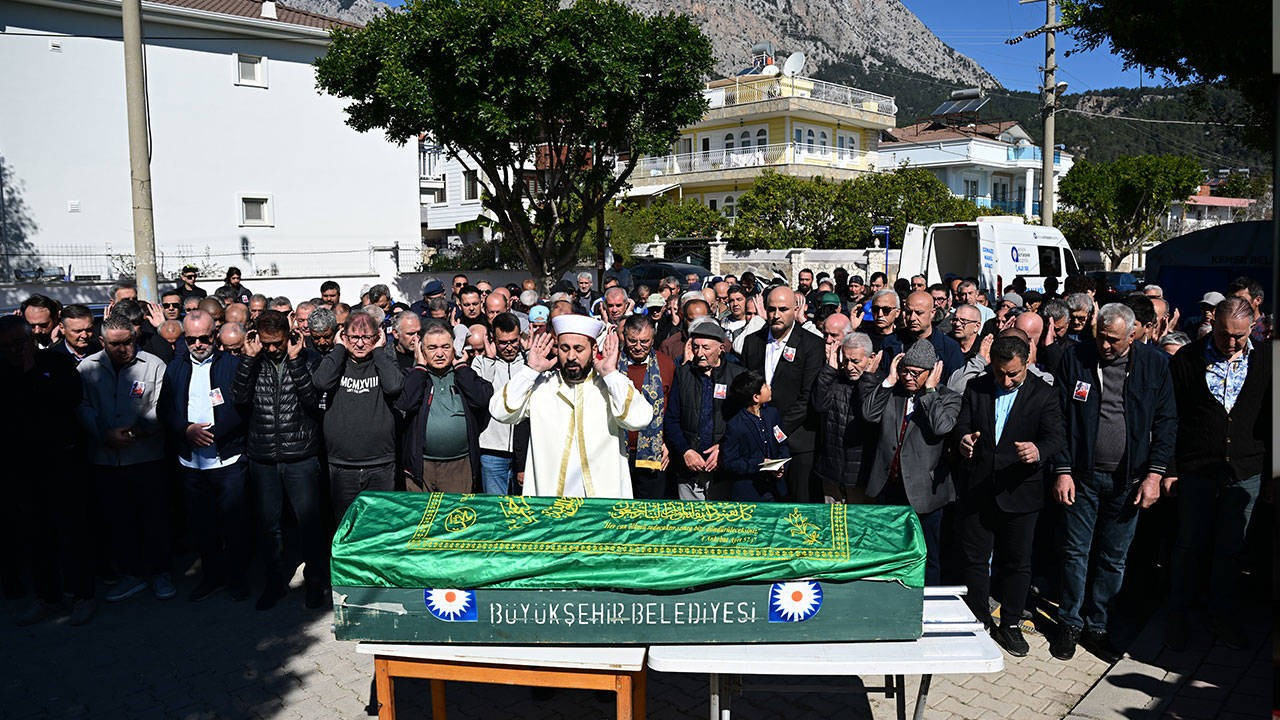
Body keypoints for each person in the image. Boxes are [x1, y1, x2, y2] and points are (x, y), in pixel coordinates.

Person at [1049, 303, 1176, 663]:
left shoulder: (1154, 365)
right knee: (1075, 552)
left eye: (1114, 341)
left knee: (1113, 558)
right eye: (1101, 337)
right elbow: (1058, 417)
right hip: (1082, 476)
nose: (1105, 346)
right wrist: (1062, 469)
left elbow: (1166, 422)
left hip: (1129, 480)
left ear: (1133, 335)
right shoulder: (1077, 359)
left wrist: (1155, 474)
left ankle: (1099, 624)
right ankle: (1069, 622)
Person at [1165, 296, 1271, 651]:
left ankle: (1222, 616)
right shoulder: (1188, 360)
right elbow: (1172, 418)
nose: (1231, 343)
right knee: (1188, 545)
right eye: (1225, 335)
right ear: (1214, 326)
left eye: (1239, 337)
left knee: (1232, 549)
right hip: (1196, 470)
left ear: (1252, 328)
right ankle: (1178, 616)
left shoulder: (1266, 360)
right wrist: (1171, 469)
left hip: (1245, 471)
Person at [954, 336, 1065, 657]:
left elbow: (1056, 436)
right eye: (1000, 373)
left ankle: (1011, 624)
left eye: (1013, 374)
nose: (1006, 380)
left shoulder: (1043, 394)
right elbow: (962, 423)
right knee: (975, 559)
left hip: (1021, 492)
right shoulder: (978, 387)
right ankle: (978, 619)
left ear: (1027, 364)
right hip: (979, 489)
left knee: (1017, 562)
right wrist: (963, 439)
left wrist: (1039, 450)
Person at [490, 316, 653, 498]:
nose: (571, 357)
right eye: (564, 348)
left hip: (600, 508)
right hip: (551, 507)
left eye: (579, 349)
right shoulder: (542, 387)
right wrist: (530, 371)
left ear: (593, 350)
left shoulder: (610, 387)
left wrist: (611, 374)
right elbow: (500, 412)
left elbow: (640, 419)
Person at [0, 316, 95, 626]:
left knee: (72, 534)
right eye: (7, 347)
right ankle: (47, 597)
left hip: (62, 466)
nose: (14, 351)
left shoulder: (55, 364)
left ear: (31, 340)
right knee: (35, 536)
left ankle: (81, 595)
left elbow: (69, 399)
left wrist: (32, 372)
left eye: (19, 343)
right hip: (23, 472)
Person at [231, 310, 326, 611]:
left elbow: (314, 401)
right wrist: (247, 359)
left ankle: (314, 583)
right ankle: (274, 583)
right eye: (267, 343)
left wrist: (296, 361)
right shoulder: (252, 360)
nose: (272, 349)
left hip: (300, 454)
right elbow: (239, 398)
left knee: (309, 523)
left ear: (290, 336)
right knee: (268, 526)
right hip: (263, 456)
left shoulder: (308, 359)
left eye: (278, 342)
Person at [77, 315, 172, 603]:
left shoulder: (154, 365)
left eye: (128, 342)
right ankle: (130, 574)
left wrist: (137, 430)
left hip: (146, 457)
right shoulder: (86, 368)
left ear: (135, 337)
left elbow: (162, 405)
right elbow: (81, 405)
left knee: (154, 518)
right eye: (115, 344)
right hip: (106, 458)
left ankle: (160, 573)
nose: (122, 349)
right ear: (102, 342)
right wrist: (103, 432)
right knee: (118, 520)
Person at [158, 310, 250, 603]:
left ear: (215, 334)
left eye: (204, 338)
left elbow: (244, 407)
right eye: (192, 339)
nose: (198, 344)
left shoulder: (232, 364)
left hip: (227, 461)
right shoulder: (174, 368)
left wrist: (214, 432)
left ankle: (237, 579)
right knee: (203, 526)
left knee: (234, 526)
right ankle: (211, 578)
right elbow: (165, 410)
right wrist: (186, 430)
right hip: (192, 464)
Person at [860, 341, 958, 585]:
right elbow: (868, 415)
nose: (908, 377)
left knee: (928, 555)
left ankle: (927, 603)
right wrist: (888, 381)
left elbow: (941, 426)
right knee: (888, 551)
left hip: (924, 493)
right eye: (905, 370)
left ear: (932, 372)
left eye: (916, 373)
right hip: (889, 485)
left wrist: (930, 391)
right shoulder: (893, 392)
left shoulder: (947, 397)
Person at [313, 311, 403, 522]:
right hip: (342, 465)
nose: (360, 344)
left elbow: (394, 386)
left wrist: (379, 351)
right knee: (347, 526)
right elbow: (321, 382)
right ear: (344, 336)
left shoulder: (383, 362)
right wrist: (338, 348)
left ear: (377, 336)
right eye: (354, 337)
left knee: (380, 526)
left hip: (380, 464)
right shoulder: (335, 362)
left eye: (366, 337)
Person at [741, 286, 823, 503]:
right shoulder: (753, 342)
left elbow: (807, 397)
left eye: (783, 309)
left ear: (795, 309)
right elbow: (746, 391)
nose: (776, 315)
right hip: (759, 444)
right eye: (771, 309)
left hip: (797, 442)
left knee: (798, 509)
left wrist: (777, 431)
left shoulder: (812, 345)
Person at [395, 321, 493, 493]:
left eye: (445, 347)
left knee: (454, 517)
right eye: (432, 348)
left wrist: (461, 366)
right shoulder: (412, 376)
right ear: (421, 350)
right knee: (422, 518)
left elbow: (482, 399)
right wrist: (419, 366)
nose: (439, 353)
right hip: (421, 467)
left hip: (459, 466)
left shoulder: (463, 375)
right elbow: (406, 403)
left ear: (454, 348)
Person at [664, 321, 745, 500]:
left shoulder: (737, 376)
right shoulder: (683, 374)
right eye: (695, 347)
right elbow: (671, 419)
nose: (700, 353)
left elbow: (744, 422)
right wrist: (685, 451)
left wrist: (724, 448)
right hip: (689, 469)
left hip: (724, 469)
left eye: (706, 348)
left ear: (721, 348)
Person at [812, 332, 878, 503]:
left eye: (856, 361)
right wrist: (830, 369)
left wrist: (868, 380)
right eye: (846, 360)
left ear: (871, 358)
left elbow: (869, 414)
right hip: (831, 471)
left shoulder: (879, 384)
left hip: (860, 475)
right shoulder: (836, 380)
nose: (849, 367)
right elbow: (819, 404)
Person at [470, 313, 529, 495]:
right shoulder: (480, 362)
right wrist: (489, 361)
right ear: (492, 339)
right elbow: (481, 396)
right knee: (495, 510)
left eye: (513, 341)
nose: (509, 348)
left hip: (525, 451)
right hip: (492, 450)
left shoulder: (529, 364)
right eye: (503, 342)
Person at [619, 314, 674, 499]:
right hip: (617, 452)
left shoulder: (666, 364)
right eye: (632, 341)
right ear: (624, 337)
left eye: (644, 341)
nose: (638, 347)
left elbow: (673, 410)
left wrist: (668, 443)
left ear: (653, 339)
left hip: (654, 453)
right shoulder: (612, 364)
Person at [720, 370, 789, 501]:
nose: (769, 388)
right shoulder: (736, 425)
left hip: (775, 490)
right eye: (765, 386)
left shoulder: (772, 414)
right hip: (749, 493)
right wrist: (760, 464)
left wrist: (781, 465)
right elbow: (730, 462)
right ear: (756, 397)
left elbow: (783, 443)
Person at [883, 291, 966, 382]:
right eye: (909, 313)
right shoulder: (890, 343)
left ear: (932, 313)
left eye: (919, 313)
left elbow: (955, 386)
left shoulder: (949, 347)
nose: (912, 318)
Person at [386, 310, 422, 374]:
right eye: (410, 334)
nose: (416, 338)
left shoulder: (425, 353)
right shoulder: (385, 356)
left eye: (419, 333)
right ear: (396, 334)